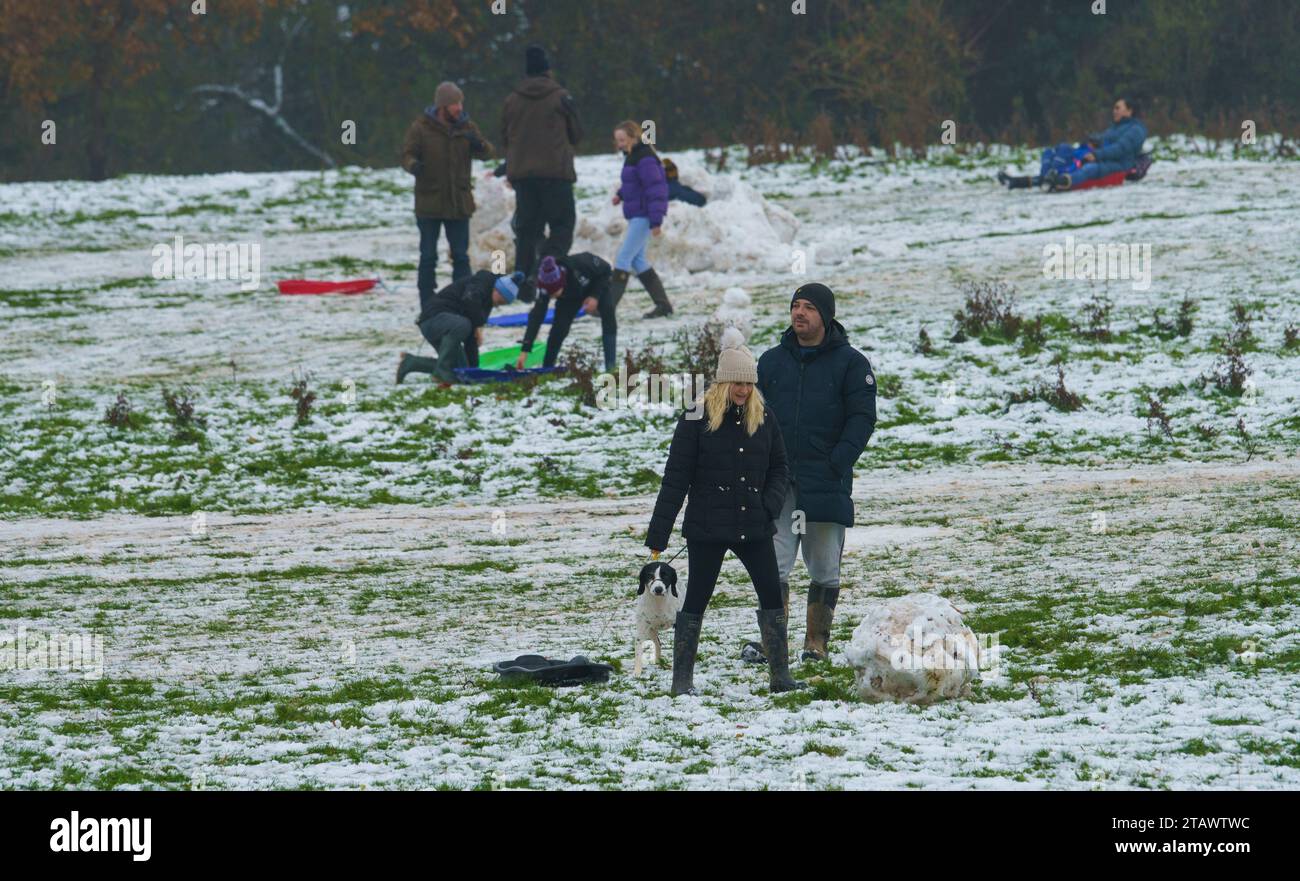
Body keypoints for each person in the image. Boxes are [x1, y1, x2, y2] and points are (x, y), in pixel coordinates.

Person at [645, 335, 805, 696]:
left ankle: (781, 677)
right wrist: (659, 535)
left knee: (771, 597)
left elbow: (780, 466)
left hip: (754, 525)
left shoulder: (764, 416)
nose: (743, 390)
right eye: (737, 382)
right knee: (696, 600)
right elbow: (676, 478)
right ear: (721, 382)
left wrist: (770, 505)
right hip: (707, 528)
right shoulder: (696, 416)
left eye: (749, 383)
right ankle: (681, 682)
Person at [743, 282, 876, 665]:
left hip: (824, 483)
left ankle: (816, 643)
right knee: (774, 561)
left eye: (809, 308)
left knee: (823, 566)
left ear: (826, 316)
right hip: (777, 484)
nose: (799, 313)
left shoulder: (851, 364)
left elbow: (863, 418)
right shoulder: (770, 362)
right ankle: (774, 644)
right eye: (795, 306)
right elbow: (752, 415)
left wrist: (839, 461)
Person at [500, 45, 583, 302]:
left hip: (524, 177)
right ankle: (547, 265)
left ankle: (523, 285)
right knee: (562, 226)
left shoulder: (511, 100)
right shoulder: (560, 97)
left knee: (527, 231)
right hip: (556, 174)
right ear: (548, 69)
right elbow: (577, 133)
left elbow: (504, 137)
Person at [400, 81, 492, 298]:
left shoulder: (467, 127)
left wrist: (478, 145)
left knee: (461, 256)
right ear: (442, 106)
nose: (459, 108)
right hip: (429, 203)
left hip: (459, 203)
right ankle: (427, 301)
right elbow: (406, 155)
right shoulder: (420, 128)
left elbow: (488, 151)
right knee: (428, 256)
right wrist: (414, 165)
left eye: (460, 103)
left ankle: (463, 298)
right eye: (454, 104)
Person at [397, 270, 521, 385]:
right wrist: (477, 326)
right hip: (431, 320)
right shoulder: (481, 283)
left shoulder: (486, 302)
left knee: (461, 371)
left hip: (449, 327)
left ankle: (410, 363)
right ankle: (441, 372)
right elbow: (470, 301)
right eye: (501, 301)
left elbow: (471, 338)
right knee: (464, 325)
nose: (499, 305)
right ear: (497, 290)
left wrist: (473, 372)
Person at [999, 96, 1148, 191]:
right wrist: (1092, 142)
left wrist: (1096, 155)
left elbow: (1120, 149)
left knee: (1089, 168)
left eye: (1118, 108)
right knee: (1058, 151)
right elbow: (1103, 139)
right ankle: (1020, 182)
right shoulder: (1116, 127)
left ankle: (1059, 181)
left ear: (1129, 111)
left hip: (1118, 164)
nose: (1113, 111)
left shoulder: (1136, 130)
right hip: (1101, 157)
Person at [610, 120, 673, 319]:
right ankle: (663, 306)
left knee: (623, 258)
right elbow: (634, 183)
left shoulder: (644, 158)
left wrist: (656, 221)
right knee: (638, 261)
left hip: (644, 216)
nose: (619, 144)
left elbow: (656, 189)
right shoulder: (633, 156)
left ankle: (607, 306)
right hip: (637, 214)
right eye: (617, 140)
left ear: (633, 137)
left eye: (622, 139)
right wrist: (620, 194)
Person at [514, 254, 617, 370]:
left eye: (553, 294)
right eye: (549, 295)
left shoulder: (581, 263)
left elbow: (607, 270)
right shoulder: (544, 287)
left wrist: (594, 296)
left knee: (608, 313)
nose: (551, 297)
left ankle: (611, 365)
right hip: (569, 298)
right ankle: (547, 368)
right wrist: (525, 350)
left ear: (561, 282)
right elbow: (536, 317)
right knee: (558, 330)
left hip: (596, 285)